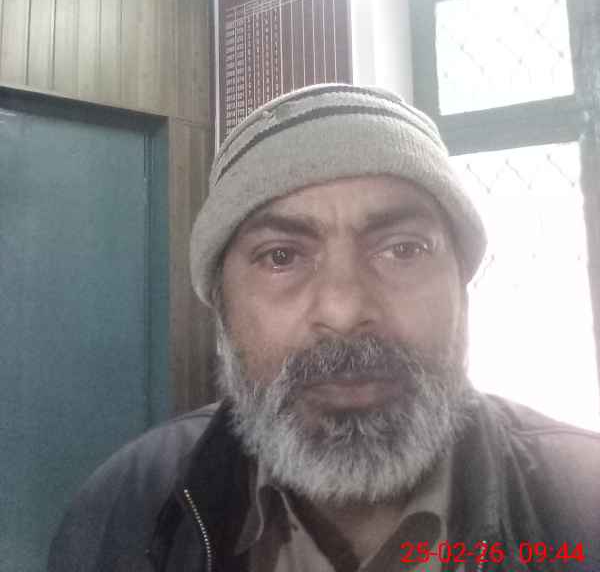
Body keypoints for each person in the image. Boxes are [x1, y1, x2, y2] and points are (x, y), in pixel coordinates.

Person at [49, 83, 600, 572]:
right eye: (281, 256)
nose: (343, 310)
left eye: (403, 249)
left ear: (462, 283)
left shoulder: (584, 507)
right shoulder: (122, 511)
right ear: (222, 307)